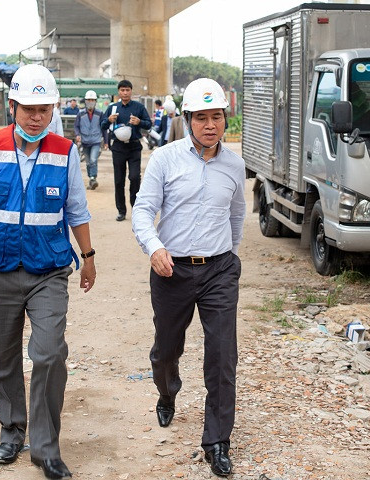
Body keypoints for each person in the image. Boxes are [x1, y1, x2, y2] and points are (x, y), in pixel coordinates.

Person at [0, 64, 96, 480]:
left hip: (48, 270)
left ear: (53, 109)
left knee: (48, 353)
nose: (36, 117)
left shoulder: (64, 151)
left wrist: (89, 255)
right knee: (2, 356)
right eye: (28, 108)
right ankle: (12, 430)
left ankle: (45, 448)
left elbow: (76, 210)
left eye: (44, 109)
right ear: (12, 106)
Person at [131, 78, 245, 478]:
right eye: (201, 117)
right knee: (166, 348)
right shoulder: (165, 159)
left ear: (224, 120)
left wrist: (229, 257)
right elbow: (143, 211)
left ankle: (216, 440)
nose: (210, 125)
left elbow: (236, 216)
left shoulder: (234, 164)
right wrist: (155, 247)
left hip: (219, 270)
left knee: (221, 355)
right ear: (188, 120)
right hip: (171, 269)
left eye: (216, 117)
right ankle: (167, 391)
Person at [100, 79, 151, 222]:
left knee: (135, 177)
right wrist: (109, 120)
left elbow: (148, 124)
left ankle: (136, 208)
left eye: (127, 90)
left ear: (131, 91)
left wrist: (139, 122)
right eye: (122, 90)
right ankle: (121, 211)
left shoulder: (138, 107)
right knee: (119, 180)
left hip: (134, 146)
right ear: (119, 92)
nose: (125, 93)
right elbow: (102, 126)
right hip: (118, 147)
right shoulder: (113, 108)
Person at [74, 90, 103, 190]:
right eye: (88, 100)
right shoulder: (80, 114)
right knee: (87, 162)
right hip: (85, 141)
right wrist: (78, 135)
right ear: (85, 101)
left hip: (96, 141)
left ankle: (93, 177)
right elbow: (76, 126)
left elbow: (103, 127)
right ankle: (91, 179)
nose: (90, 102)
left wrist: (106, 142)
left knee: (93, 160)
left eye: (92, 100)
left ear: (95, 101)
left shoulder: (100, 114)